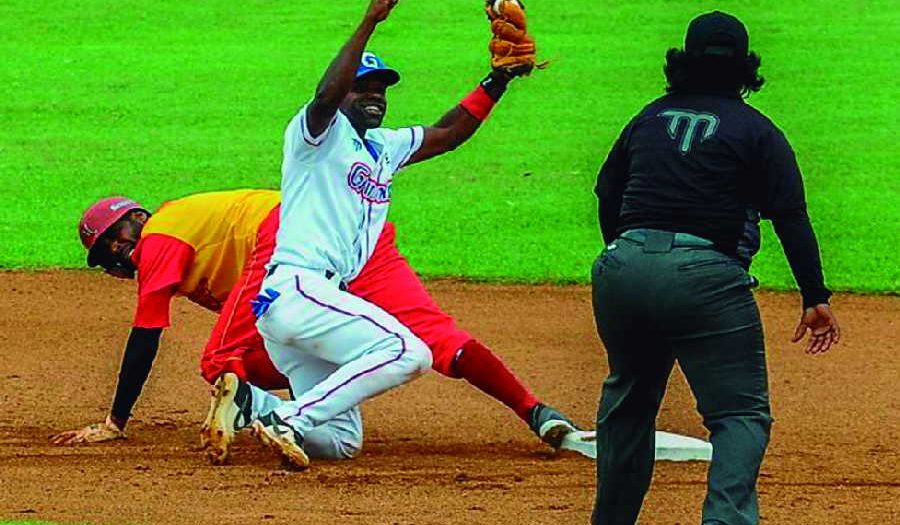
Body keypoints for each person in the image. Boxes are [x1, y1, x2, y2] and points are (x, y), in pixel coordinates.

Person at [52, 188, 587, 461]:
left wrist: (116, 421)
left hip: (286, 238)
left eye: (115, 239)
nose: (119, 253)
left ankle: (269, 412)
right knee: (416, 339)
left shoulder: (161, 238)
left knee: (222, 362)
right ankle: (536, 413)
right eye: (108, 254)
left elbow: (147, 333)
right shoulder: (181, 225)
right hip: (352, 236)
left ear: (137, 219)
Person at [590, 11, 840, 525]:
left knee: (629, 406)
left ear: (682, 62)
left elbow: (607, 191)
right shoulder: (757, 130)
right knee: (739, 415)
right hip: (706, 280)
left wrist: (630, 257)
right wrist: (815, 296)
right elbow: (790, 216)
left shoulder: (649, 117)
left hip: (623, 266)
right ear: (746, 68)